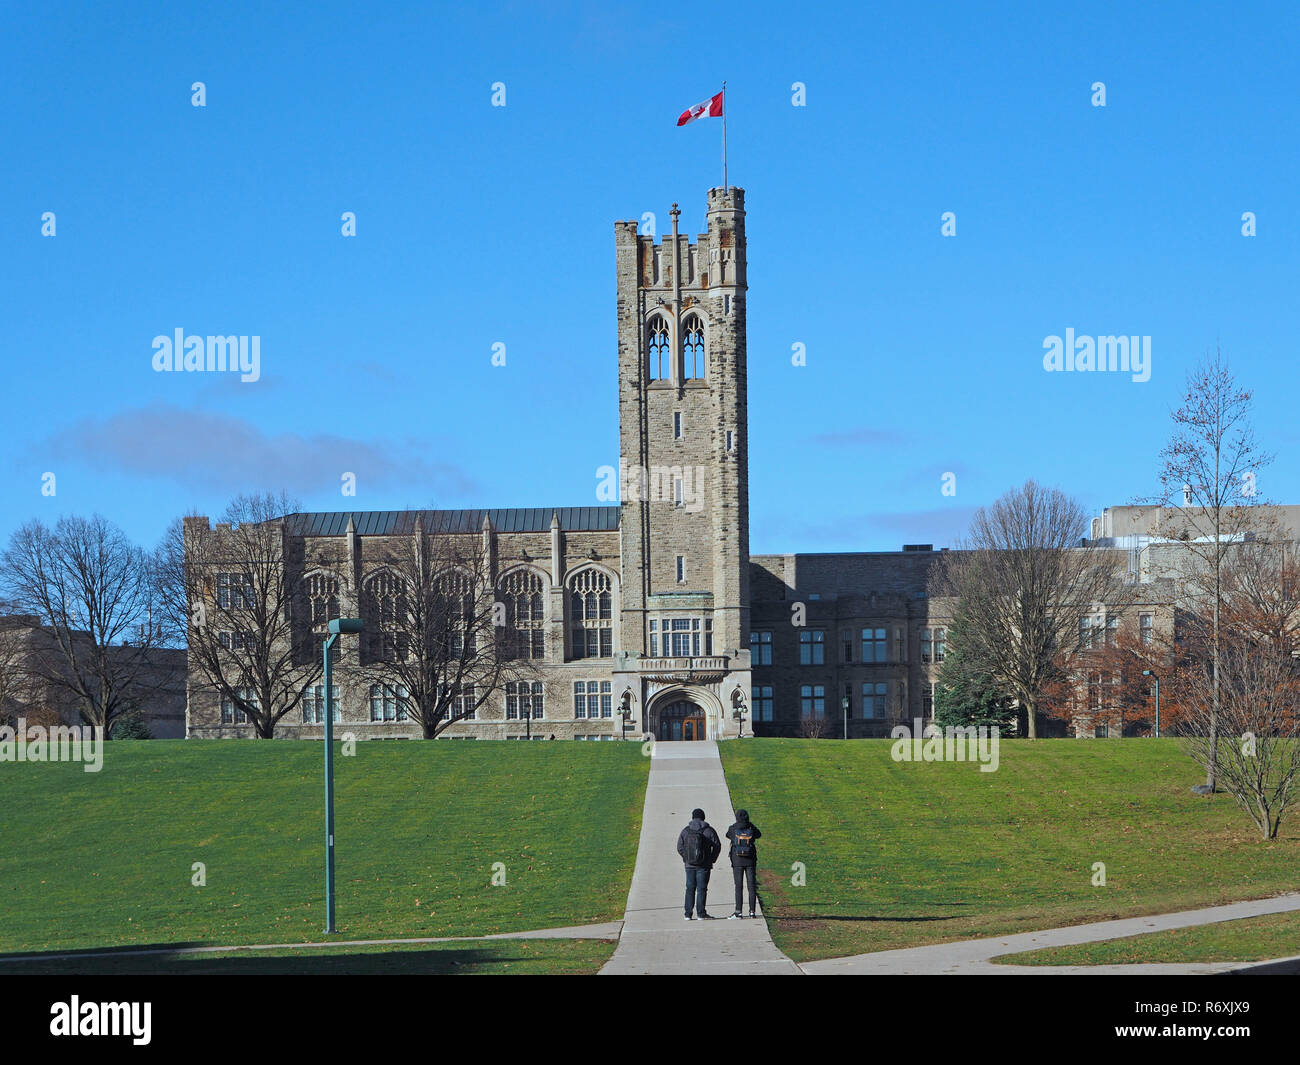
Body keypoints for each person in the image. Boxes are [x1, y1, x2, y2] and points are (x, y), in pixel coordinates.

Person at [676, 807, 722, 920]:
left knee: (690, 888)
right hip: (704, 865)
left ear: (692, 817)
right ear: (703, 817)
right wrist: (711, 859)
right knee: (702, 889)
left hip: (689, 865)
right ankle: (701, 913)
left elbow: (679, 847)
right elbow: (717, 846)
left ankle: (688, 914)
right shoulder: (709, 830)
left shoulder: (686, 830)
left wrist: (686, 858)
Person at [725, 808, 762, 918]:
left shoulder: (733, 828)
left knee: (738, 886)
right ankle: (752, 911)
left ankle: (738, 911)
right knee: (751, 886)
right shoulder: (751, 827)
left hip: (737, 861)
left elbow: (727, 835)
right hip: (750, 860)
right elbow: (759, 834)